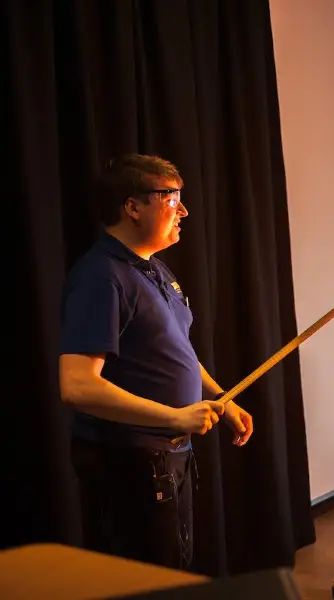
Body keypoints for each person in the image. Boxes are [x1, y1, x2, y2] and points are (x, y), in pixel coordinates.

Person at [58, 154, 254, 571]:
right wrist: (173, 417)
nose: (183, 210)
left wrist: (221, 397)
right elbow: (77, 385)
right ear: (132, 207)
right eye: (172, 198)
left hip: (169, 457)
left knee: (175, 572)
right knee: (147, 582)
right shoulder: (101, 276)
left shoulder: (156, 270)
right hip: (129, 466)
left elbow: (177, 350)